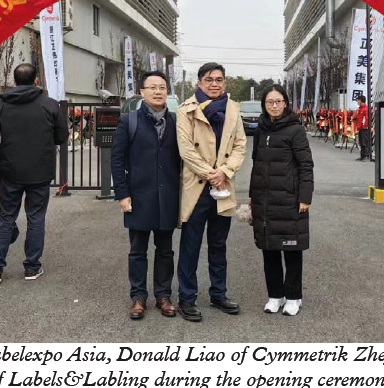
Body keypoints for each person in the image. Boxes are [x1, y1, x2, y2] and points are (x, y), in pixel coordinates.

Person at [0, 63, 69, 284]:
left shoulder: (1, 106)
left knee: (5, 218)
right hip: (40, 171)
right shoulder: (50, 105)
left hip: (10, 171)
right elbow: (61, 137)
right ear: (36, 81)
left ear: (14, 81)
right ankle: (31, 267)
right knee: (36, 218)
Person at [176, 62, 247, 321]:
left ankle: (219, 294)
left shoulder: (233, 109)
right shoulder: (187, 110)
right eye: (209, 79)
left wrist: (224, 173)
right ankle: (187, 298)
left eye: (219, 79)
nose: (214, 84)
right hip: (197, 186)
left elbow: (240, 145)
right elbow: (186, 149)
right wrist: (211, 174)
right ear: (199, 82)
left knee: (218, 245)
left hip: (223, 186)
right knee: (190, 246)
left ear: (224, 83)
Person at [111, 70, 181, 320]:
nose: (158, 91)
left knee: (165, 250)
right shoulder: (129, 121)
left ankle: (163, 296)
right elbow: (117, 160)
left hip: (169, 197)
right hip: (139, 196)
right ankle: (138, 297)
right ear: (142, 92)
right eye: (152, 87)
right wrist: (122, 194)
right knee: (137, 250)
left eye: (162, 87)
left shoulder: (177, 121)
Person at [249, 85, 314, 316]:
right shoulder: (261, 130)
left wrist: (305, 197)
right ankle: (275, 295)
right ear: (264, 105)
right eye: (269, 102)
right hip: (264, 200)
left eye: (278, 101)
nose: (274, 106)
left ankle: (294, 297)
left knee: (292, 249)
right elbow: (256, 165)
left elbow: (306, 165)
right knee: (269, 249)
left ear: (285, 103)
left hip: (290, 200)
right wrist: (251, 196)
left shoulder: (295, 130)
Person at [355, 95, 370, 162]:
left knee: (364, 142)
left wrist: (364, 126)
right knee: (361, 142)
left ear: (361, 100)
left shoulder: (365, 109)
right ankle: (362, 156)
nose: (357, 102)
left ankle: (366, 156)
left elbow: (367, 119)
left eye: (358, 100)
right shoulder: (360, 109)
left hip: (364, 128)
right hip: (360, 127)